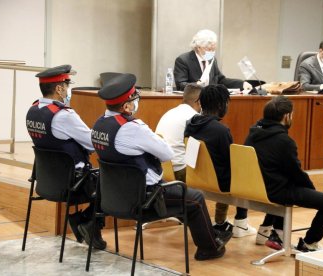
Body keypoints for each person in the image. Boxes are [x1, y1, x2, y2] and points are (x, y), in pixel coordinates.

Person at [91, 73, 232, 261]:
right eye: (134, 99)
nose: (136, 103)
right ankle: (209, 247)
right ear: (126, 106)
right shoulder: (133, 128)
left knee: (182, 193)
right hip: (145, 198)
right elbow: (167, 154)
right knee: (195, 198)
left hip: (112, 197)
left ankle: (211, 236)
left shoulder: (99, 125)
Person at [25, 64, 106, 250]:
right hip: (73, 184)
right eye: (67, 86)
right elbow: (93, 144)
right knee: (111, 179)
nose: (68, 91)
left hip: (46, 182)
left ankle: (85, 221)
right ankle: (86, 220)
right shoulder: (64, 115)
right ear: (59, 88)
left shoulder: (33, 110)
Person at [244, 95, 323, 252]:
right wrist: (311, 190)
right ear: (287, 116)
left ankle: (274, 233)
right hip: (276, 192)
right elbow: (296, 174)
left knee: (284, 181)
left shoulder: (252, 133)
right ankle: (309, 244)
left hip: (255, 189)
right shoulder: (284, 141)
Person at [184, 84, 257, 238]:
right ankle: (241, 223)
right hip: (218, 182)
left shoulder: (190, 124)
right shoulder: (220, 130)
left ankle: (223, 222)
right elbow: (230, 161)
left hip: (197, 177)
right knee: (246, 172)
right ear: (221, 105)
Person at [174, 29, 252, 91]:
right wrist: (197, 84)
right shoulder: (183, 60)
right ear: (198, 47)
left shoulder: (212, 60)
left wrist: (242, 84)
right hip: (193, 102)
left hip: (210, 102)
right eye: (209, 49)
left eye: (213, 49)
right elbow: (181, 85)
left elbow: (221, 80)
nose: (211, 52)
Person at [155, 83, 202, 182]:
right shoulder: (194, 118)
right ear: (199, 101)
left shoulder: (169, 113)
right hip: (180, 172)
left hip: (162, 169)